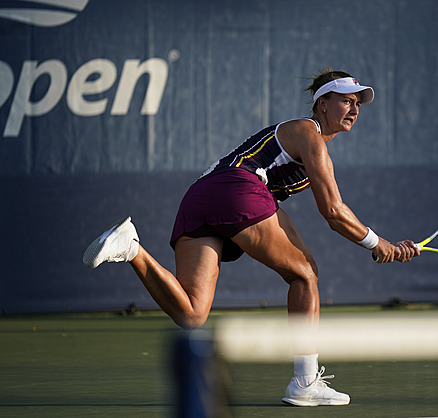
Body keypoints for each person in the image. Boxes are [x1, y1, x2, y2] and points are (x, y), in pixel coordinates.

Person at [83, 68, 420, 407]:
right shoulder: (308, 132)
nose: (355, 109)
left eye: (358, 103)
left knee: (192, 314)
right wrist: (378, 244)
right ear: (322, 104)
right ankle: (304, 383)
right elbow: (332, 210)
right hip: (237, 188)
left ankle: (132, 248)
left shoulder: (311, 147)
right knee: (304, 275)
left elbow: (301, 206)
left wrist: (368, 246)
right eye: (346, 101)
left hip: (201, 196)